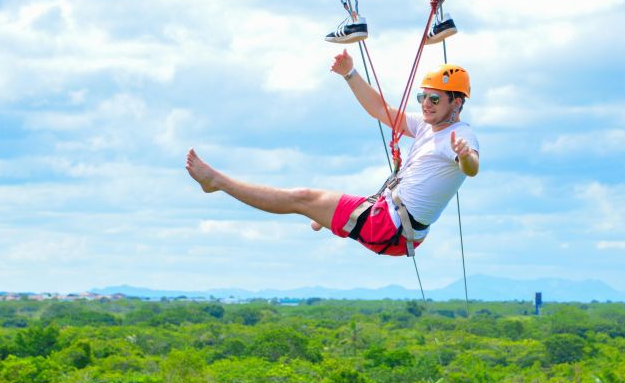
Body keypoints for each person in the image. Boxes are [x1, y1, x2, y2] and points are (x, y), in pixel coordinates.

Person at [186, 52, 479, 257]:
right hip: (392, 222)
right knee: (316, 205)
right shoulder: (427, 127)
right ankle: (325, 217)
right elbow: (381, 110)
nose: (426, 103)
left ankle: (216, 182)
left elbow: (471, 168)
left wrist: (464, 155)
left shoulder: (460, 137)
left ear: (456, 103)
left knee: (301, 198)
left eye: (435, 98)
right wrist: (350, 74)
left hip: (390, 227)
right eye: (422, 97)